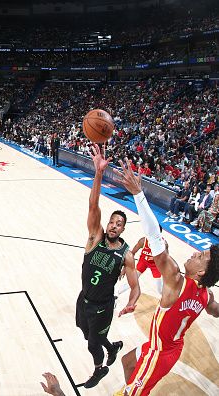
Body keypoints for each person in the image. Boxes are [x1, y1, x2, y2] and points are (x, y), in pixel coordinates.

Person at [113, 159, 219, 396]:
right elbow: (215, 310)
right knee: (128, 362)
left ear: (201, 271)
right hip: (168, 347)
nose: (194, 252)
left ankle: (134, 391)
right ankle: (135, 387)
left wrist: (139, 194)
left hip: (159, 352)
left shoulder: (175, 280)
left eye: (200, 256)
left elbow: (154, 236)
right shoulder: (205, 294)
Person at [76, 144, 140, 388]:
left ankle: (99, 368)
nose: (113, 226)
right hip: (84, 299)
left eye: (118, 224)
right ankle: (111, 346)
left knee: (92, 344)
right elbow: (93, 206)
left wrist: (132, 301)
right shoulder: (95, 238)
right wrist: (98, 173)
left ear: (123, 229)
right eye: (111, 222)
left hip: (103, 306)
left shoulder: (126, 255)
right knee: (85, 331)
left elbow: (135, 286)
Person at [116, 226, 168, 296]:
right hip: (143, 261)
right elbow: (132, 254)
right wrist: (124, 269)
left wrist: (166, 249)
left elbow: (166, 259)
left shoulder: (162, 244)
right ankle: (117, 294)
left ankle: (166, 300)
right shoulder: (143, 241)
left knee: (159, 289)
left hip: (155, 265)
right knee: (133, 280)